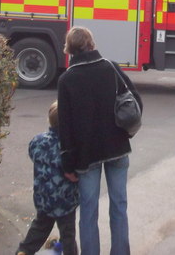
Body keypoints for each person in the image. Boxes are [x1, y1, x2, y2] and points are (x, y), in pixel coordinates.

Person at [58, 27, 142, 255]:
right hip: (117, 148)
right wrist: (127, 132)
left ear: (70, 49)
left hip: (86, 156)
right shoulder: (110, 68)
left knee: (88, 211)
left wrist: (68, 164)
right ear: (91, 43)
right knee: (119, 206)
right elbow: (135, 101)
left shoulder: (66, 79)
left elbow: (65, 128)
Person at [16, 101, 79, 255]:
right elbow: (74, 172)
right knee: (68, 233)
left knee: (40, 228)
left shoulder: (37, 141)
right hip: (65, 201)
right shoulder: (69, 147)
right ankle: (68, 251)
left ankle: (24, 251)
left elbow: (33, 155)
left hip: (43, 197)